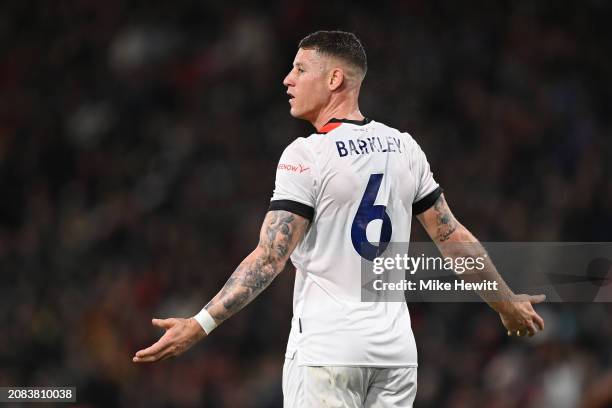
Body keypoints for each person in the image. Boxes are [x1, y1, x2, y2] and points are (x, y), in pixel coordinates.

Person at [133, 30, 546, 407]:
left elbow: (269, 257)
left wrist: (199, 324)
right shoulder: (404, 147)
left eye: (299, 69)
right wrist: (505, 302)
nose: (287, 80)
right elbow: (451, 236)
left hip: (328, 354)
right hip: (396, 356)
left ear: (334, 80)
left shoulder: (306, 155)